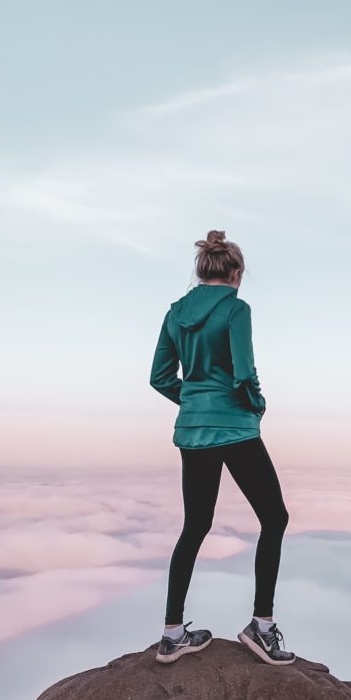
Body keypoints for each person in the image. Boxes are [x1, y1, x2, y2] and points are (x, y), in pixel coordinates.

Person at [149, 229, 296, 666]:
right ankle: (262, 627)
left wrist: (193, 403)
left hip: (191, 430)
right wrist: (256, 405)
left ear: (201, 270)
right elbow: (244, 372)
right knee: (274, 517)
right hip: (234, 427)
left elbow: (159, 377)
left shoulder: (176, 313)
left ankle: (172, 633)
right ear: (235, 273)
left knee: (195, 525)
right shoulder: (236, 309)